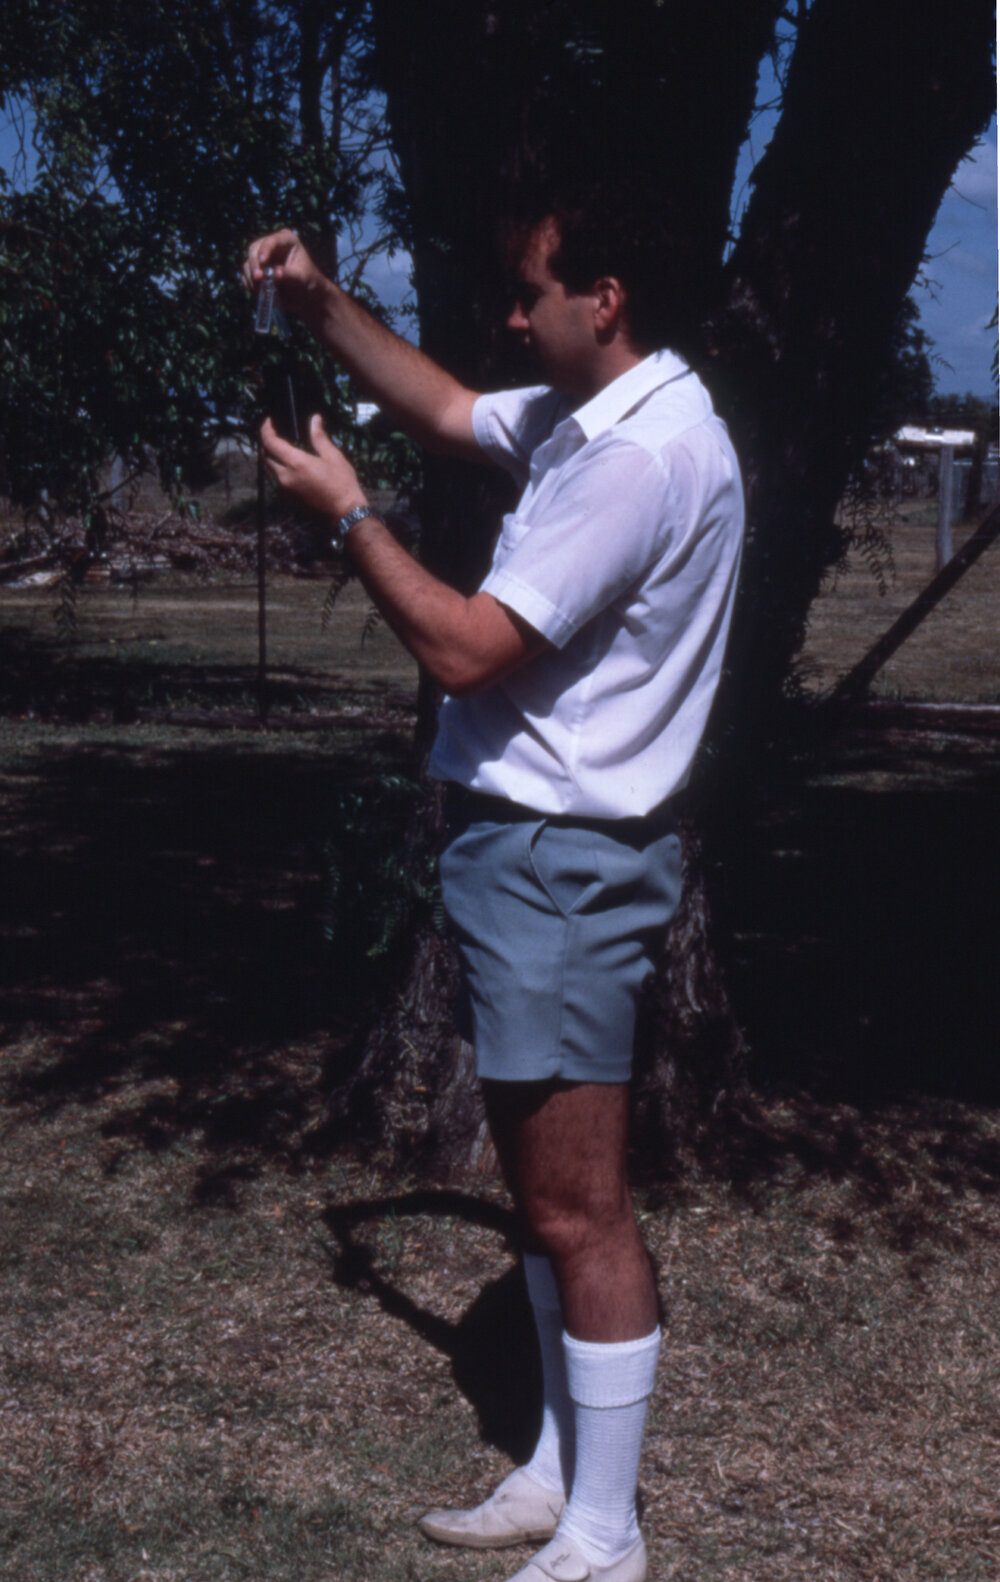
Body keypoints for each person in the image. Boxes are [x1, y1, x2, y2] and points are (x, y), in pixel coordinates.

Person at [244, 188, 744, 1582]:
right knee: (539, 1189)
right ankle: (560, 1470)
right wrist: (321, 303)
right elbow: (457, 409)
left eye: (534, 294)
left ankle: (606, 1531)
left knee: (580, 1203)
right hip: (524, 855)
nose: (513, 317)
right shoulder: (598, 422)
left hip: (566, 862)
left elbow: (466, 649)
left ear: (611, 298)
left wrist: (348, 513)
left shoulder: (638, 465)